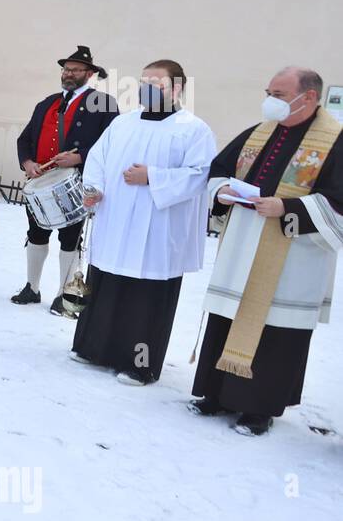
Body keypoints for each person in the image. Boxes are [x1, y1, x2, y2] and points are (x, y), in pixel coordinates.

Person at [190, 67, 343, 435]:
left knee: (276, 330)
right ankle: (216, 393)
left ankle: (258, 408)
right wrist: (222, 191)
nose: (269, 99)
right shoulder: (260, 133)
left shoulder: (335, 142)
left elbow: (338, 202)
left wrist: (288, 209)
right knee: (229, 317)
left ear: (308, 97)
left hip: (294, 252)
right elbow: (219, 169)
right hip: (244, 244)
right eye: (268, 91)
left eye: (278, 93)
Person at [71, 60, 216, 384]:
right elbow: (97, 157)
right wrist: (93, 188)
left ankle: (140, 364)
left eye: (156, 83)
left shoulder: (193, 129)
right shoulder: (124, 123)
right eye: (143, 81)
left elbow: (200, 175)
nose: (146, 88)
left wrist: (153, 176)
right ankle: (93, 349)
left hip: (157, 229)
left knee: (145, 298)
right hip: (116, 222)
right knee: (107, 285)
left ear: (177, 89)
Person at [13, 45, 119, 314]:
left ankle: (65, 295)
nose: (68, 74)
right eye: (65, 69)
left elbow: (113, 145)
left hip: (76, 182)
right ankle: (32, 288)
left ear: (89, 73)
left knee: (70, 239)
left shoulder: (104, 104)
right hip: (41, 183)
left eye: (75, 70)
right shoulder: (47, 103)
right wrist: (28, 162)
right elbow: (25, 139)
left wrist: (79, 157)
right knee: (36, 234)